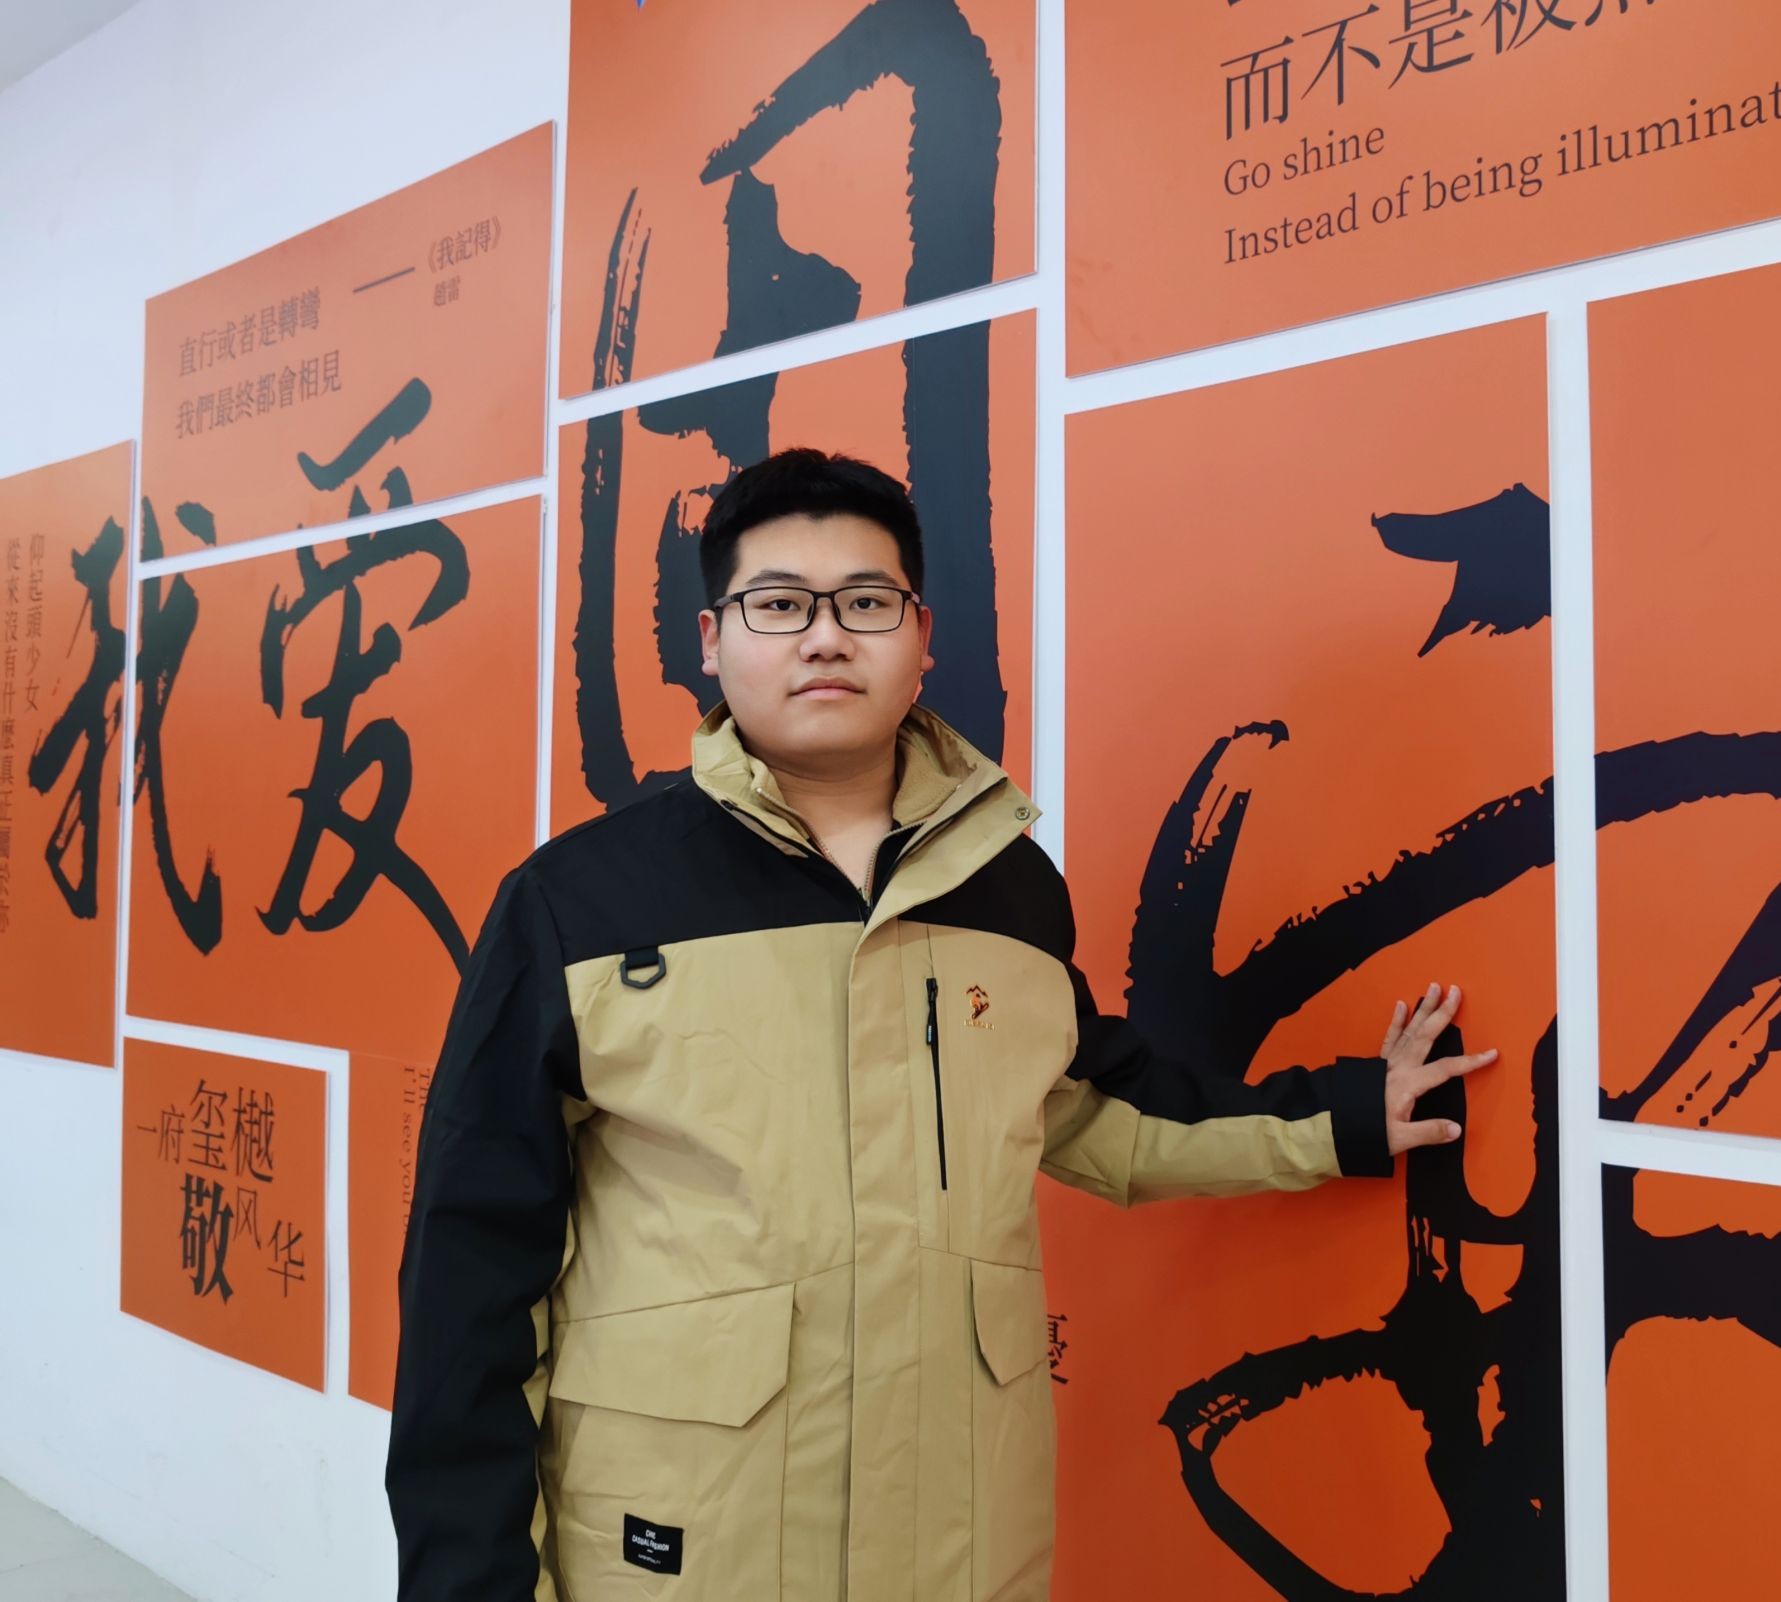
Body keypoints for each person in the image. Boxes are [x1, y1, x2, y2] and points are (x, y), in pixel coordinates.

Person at [385, 448, 1498, 1602]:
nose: (826, 637)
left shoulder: (1006, 888)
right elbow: (473, 1269)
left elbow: (1093, 1106)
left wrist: (1342, 1118)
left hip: (956, 1547)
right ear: (711, 642)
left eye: (865, 604)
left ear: (921, 637)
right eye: (780, 605)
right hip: (679, 1548)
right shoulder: (579, 903)